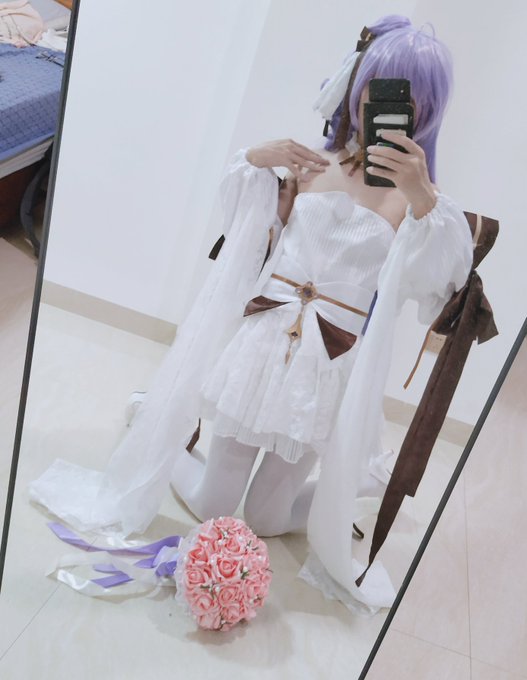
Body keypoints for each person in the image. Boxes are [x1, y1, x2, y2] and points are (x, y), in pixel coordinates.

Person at [30, 15, 473, 612]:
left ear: (427, 111)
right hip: (264, 342)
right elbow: (253, 235)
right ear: (360, 83)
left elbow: (440, 288)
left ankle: (354, 485)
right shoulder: (315, 165)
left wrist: (423, 197)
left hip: (327, 364)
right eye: (381, 86)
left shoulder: (422, 207)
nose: (388, 104)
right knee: (214, 506)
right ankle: (158, 428)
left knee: (264, 518)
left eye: (409, 98)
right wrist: (256, 160)